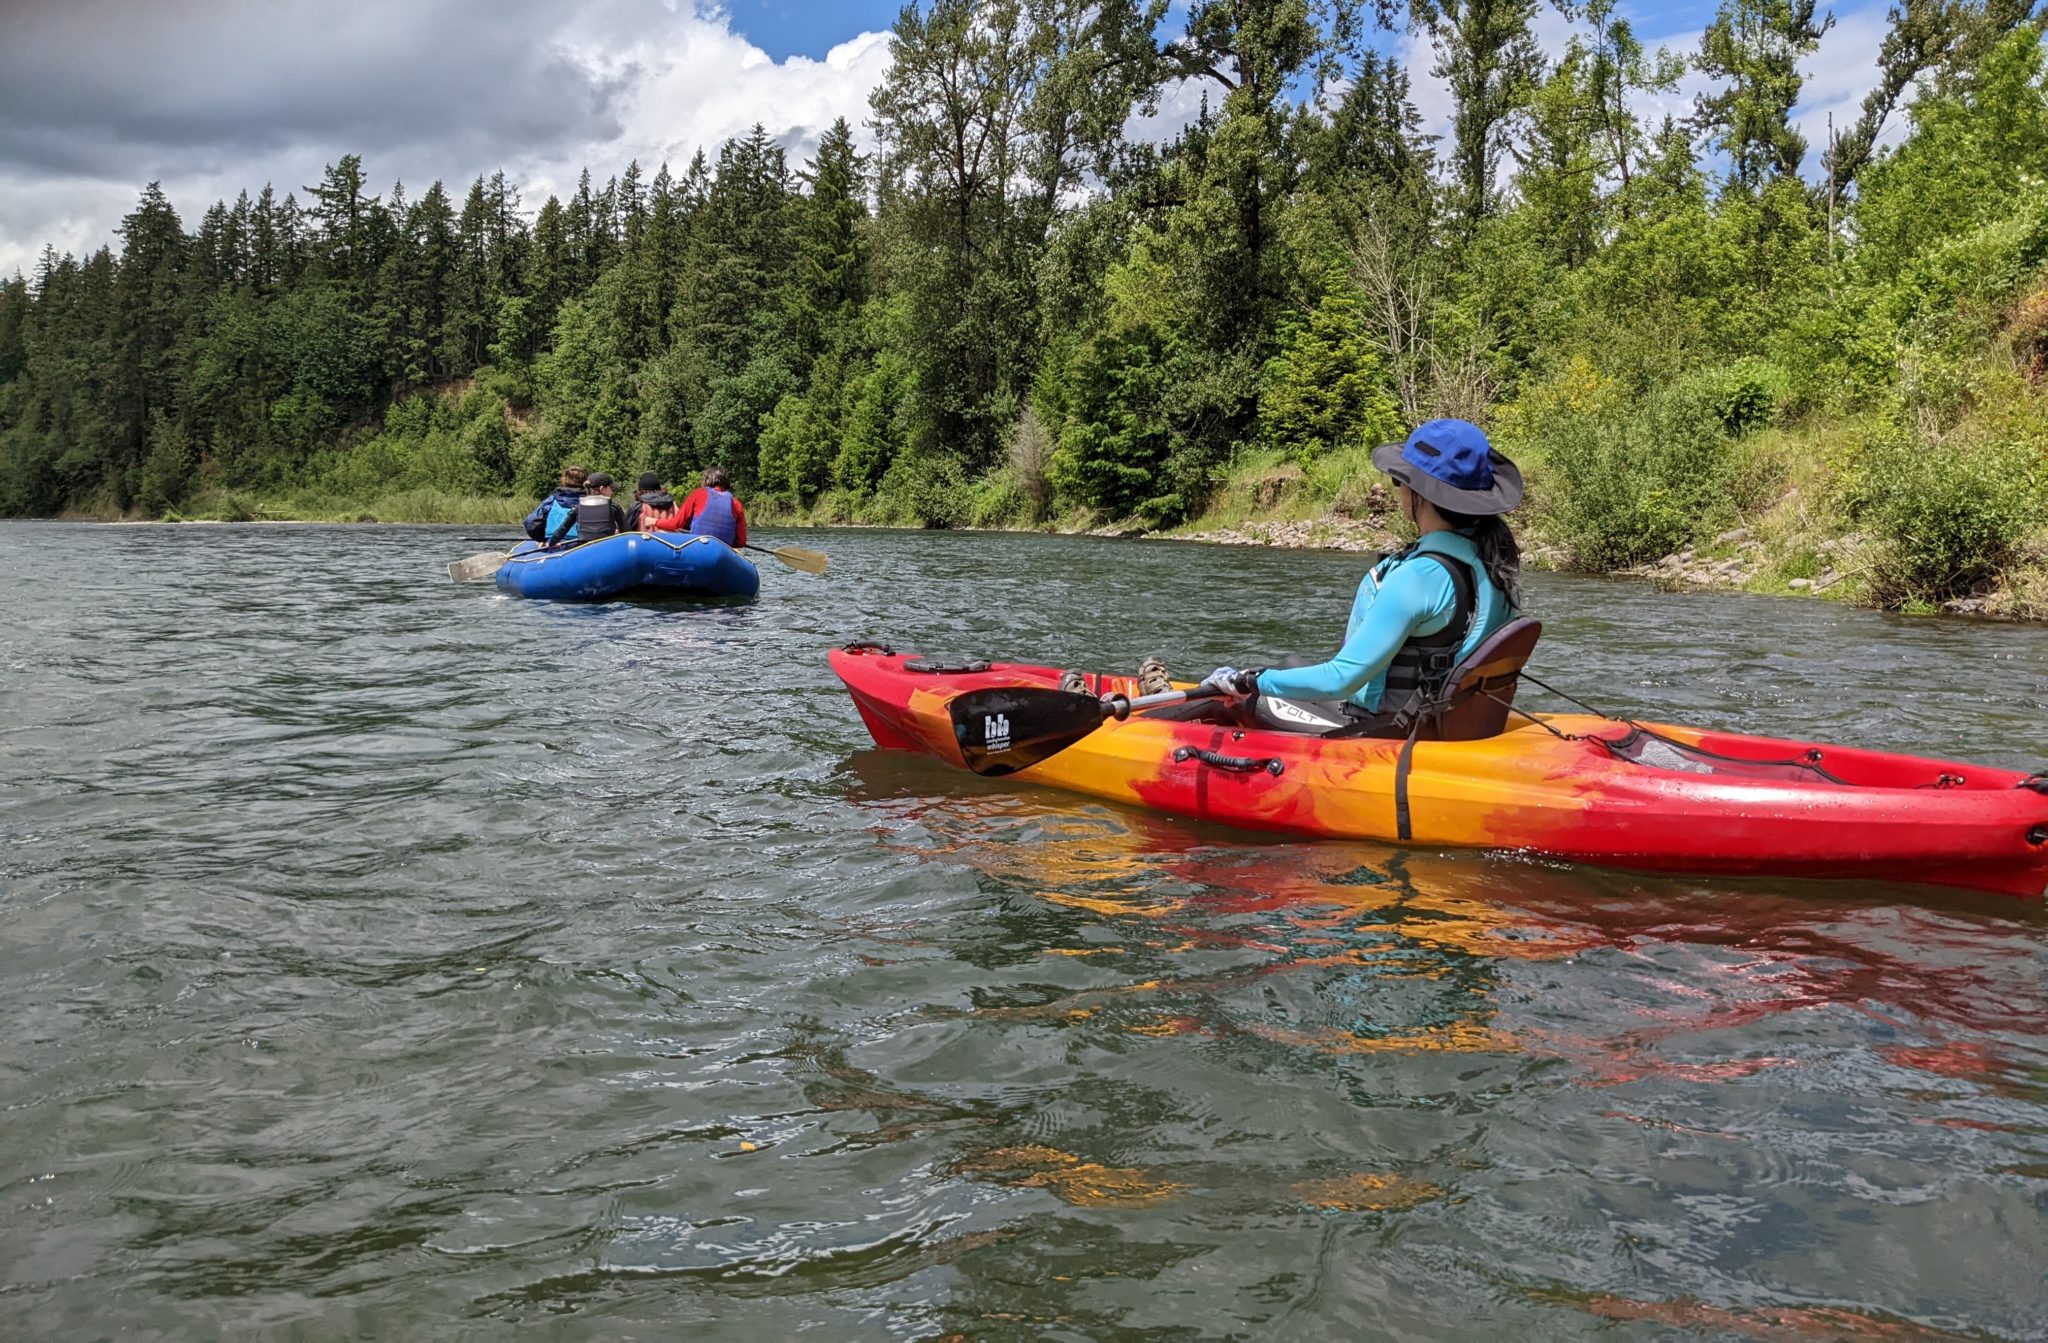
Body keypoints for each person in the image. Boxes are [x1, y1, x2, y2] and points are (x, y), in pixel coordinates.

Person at [1187, 418, 1524, 734]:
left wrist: (1249, 680)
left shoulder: (1418, 576)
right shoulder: (1492, 558)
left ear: (1421, 493)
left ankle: (1147, 730)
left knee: (1243, 700)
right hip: (1439, 717)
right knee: (1290, 664)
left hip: (1391, 730)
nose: (1398, 491)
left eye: (1400, 480)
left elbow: (1340, 679)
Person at [647, 466, 748, 549]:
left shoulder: (698, 494)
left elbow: (676, 524)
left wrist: (654, 522)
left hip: (698, 548)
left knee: (662, 533)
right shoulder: (736, 504)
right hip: (724, 552)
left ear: (707, 480)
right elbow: (741, 542)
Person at [524, 465, 588, 543]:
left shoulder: (552, 500)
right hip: (582, 543)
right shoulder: (590, 500)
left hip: (554, 542)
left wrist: (541, 539)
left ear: (564, 480)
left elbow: (530, 523)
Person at [560, 471, 628, 543]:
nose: (613, 492)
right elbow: (626, 532)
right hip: (606, 548)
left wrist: (551, 543)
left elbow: (562, 529)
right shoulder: (613, 507)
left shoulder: (578, 507)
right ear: (602, 489)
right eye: (612, 489)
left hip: (585, 549)